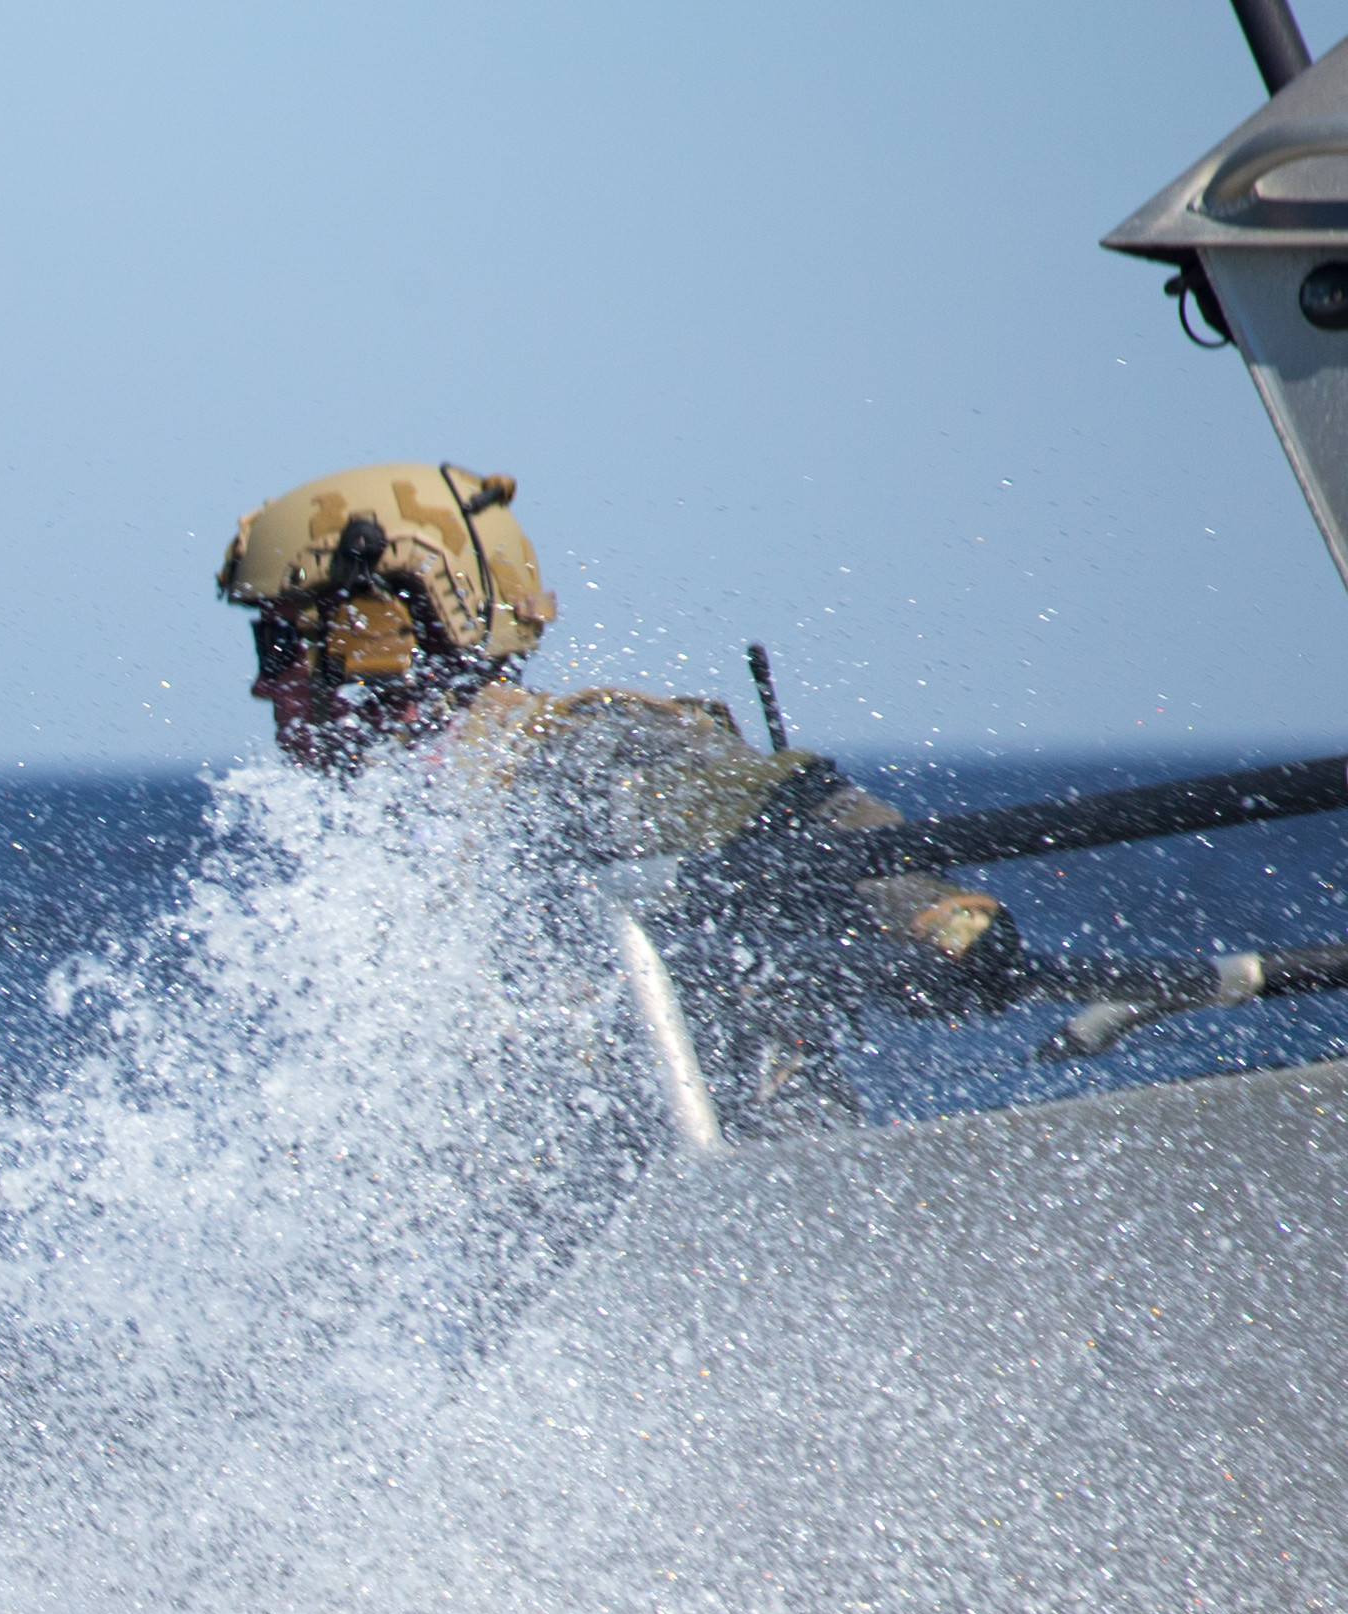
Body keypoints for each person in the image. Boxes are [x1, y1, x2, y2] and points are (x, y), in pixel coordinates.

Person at [216, 461, 1017, 1135]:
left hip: (716, 1233)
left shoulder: (575, 754)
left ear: (377, 623)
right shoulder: (416, 819)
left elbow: (779, 803)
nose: (265, 681)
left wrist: (939, 916)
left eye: (283, 641)